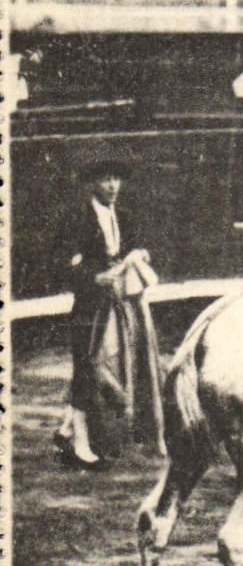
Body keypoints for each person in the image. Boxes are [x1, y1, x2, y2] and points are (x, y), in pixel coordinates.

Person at [55, 159, 163, 468]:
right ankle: (80, 445)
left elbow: (137, 246)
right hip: (91, 302)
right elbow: (63, 261)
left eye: (117, 179)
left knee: (115, 364)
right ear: (92, 184)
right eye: (106, 180)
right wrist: (91, 277)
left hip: (121, 303)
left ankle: (68, 429)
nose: (114, 186)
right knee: (89, 365)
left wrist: (140, 253)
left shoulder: (124, 216)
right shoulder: (77, 217)